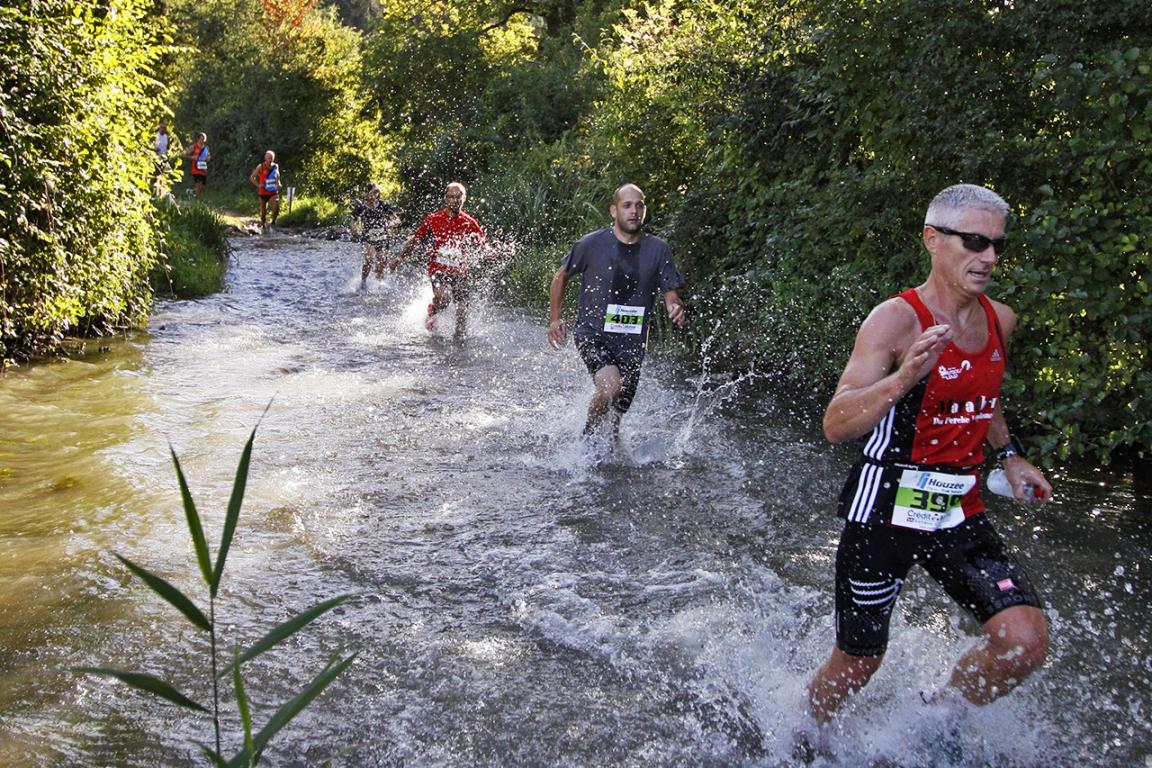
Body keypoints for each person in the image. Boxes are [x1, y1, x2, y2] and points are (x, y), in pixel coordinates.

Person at [805, 184, 1053, 731]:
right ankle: (803, 736)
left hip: (957, 508)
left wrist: (1009, 455)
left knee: (1024, 642)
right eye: (973, 242)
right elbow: (835, 422)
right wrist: (902, 379)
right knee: (859, 663)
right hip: (882, 509)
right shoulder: (895, 320)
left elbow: (982, 396)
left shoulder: (1000, 320)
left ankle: (937, 722)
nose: (988, 257)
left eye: (996, 246)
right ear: (933, 240)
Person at [547, 183, 687, 442]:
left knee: (617, 412)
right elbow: (561, 275)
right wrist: (555, 318)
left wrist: (673, 305)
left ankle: (610, 455)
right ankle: (585, 441)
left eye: (639, 205)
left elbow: (671, 290)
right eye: (627, 205)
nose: (634, 211)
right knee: (611, 388)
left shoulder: (658, 249)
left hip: (633, 340)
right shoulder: (591, 244)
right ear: (614, 210)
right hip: (593, 332)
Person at [390, 182, 488, 338]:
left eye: (458, 197)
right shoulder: (433, 218)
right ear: (445, 199)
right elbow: (416, 240)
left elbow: (483, 244)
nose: (455, 200)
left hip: (459, 270)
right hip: (438, 268)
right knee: (443, 298)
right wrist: (400, 257)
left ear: (464, 198)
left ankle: (459, 344)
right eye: (451, 197)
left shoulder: (469, 222)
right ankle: (433, 309)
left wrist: (489, 251)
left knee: (462, 311)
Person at [353, 183, 400, 284]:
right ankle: (363, 282)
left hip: (383, 238)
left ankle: (379, 287)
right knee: (369, 260)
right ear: (366, 193)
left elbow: (397, 220)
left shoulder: (384, 206)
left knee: (381, 265)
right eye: (373, 192)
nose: (376, 194)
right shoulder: (361, 208)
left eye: (377, 192)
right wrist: (354, 230)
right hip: (368, 238)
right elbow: (353, 220)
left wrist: (389, 223)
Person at [249, 150, 282, 233]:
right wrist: (258, 185)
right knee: (263, 212)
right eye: (268, 158)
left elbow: (277, 176)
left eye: (271, 158)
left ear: (273, 159)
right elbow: (252, 178)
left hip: (273, 192)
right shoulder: (260, 167)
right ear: (265, 158)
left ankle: (273, 221)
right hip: (263, 192)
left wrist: (279, 184)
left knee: (276, 207)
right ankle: (263, 226)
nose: (269, 160)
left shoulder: (275, 166)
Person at [184, 132, 209, 200]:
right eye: (201, 139)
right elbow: (185, 155)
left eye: (204, 139)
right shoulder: (193, 147)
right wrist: (192, 157)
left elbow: (208, 156)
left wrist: (208, 158)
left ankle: (191, 192)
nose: (202, 140)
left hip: (203, 169)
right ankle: (198, 203)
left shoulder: (206, 148)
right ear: (198, 139)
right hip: (196, 169)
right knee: (198, 186)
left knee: (202, 188)